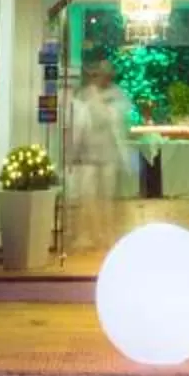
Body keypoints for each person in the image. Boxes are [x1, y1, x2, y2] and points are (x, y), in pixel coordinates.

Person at [67, 65, 131, 251]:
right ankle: (90, 235)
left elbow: (116, 119)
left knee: (107, 198)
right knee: (87, 197)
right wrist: (72, 154)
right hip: (88, 155)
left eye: (103, 74)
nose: (99, 77)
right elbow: (78, 124)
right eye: (95, 74)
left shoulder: (117, 95)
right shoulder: (85, 94)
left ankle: (108, 235)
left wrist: (100, 101)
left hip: (109, 155)